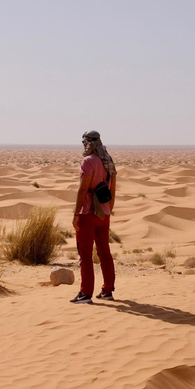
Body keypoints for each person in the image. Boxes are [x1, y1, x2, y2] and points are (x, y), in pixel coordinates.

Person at [70, 130, 117, 304]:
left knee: (85, 253)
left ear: (88, 144)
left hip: (88, 213)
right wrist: (108, 211)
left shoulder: (88, 161)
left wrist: (76, 214)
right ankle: (107, 290)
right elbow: (113, 190)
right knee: (105, 252)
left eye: (84, 143)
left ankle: (86, 293)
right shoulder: (108, 161)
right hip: (104, 214)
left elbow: (83, 189)